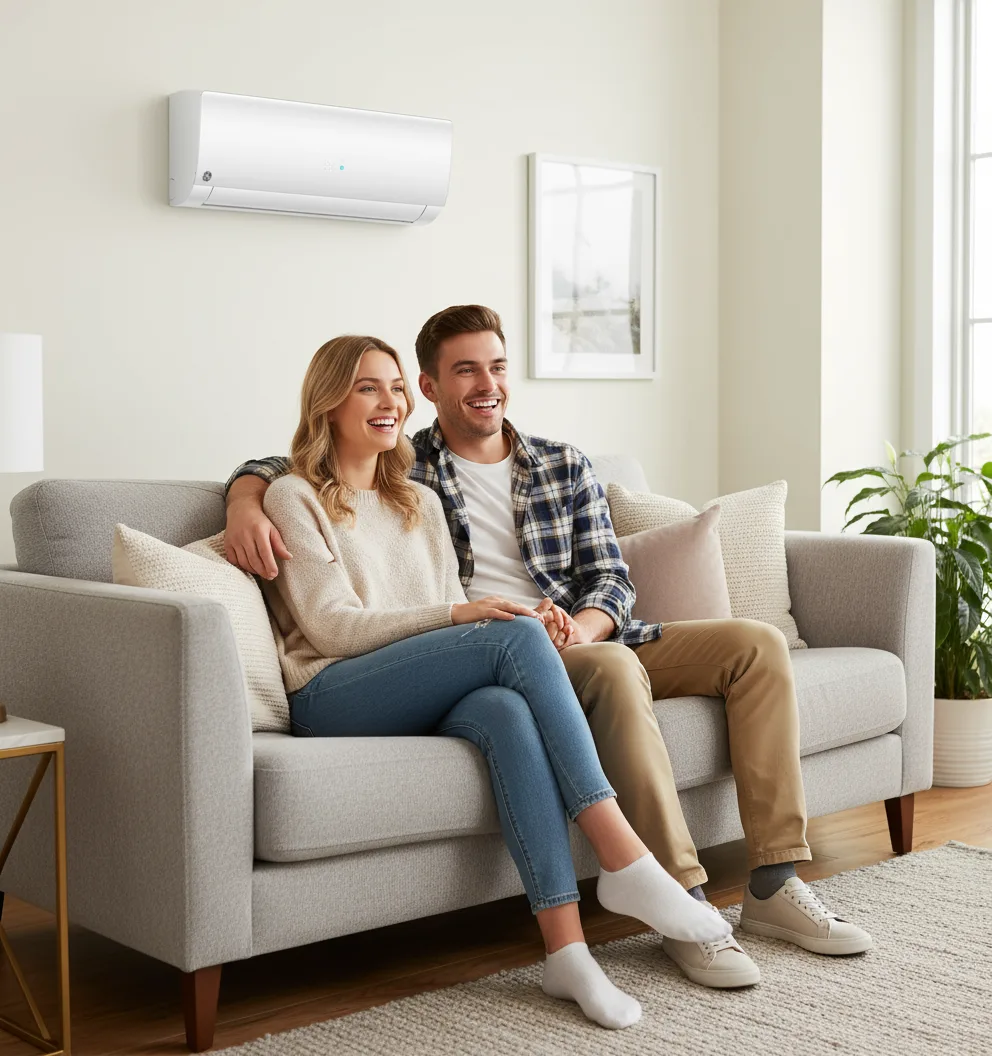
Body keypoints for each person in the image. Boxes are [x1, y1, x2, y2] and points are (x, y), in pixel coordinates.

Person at [226, 306, 873, 990]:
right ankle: (677, 896)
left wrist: (586, 623)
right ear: (434, 386)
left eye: (497, 367)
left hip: (584, 635)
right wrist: (246, 496)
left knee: (756, 645)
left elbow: (610, 577)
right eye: (465, 370)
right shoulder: (414, 464)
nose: (486, 384)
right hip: (496, 643)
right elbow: (304, 462)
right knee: (607, 669)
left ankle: (773, 880)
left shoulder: (557, 466)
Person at [257, 333, 731, 1029]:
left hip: (413, 682)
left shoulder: (417, 501)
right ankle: (623, 854)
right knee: (512, 637)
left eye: (394, 387)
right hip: (330, 692)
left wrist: (481, 616)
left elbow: (449, 613)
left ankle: (566, 954)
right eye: (367, 387)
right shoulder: (292, 496)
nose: (388, 402)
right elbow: (330, 626)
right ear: (328, 400)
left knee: (508, 709)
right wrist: (464, 614)